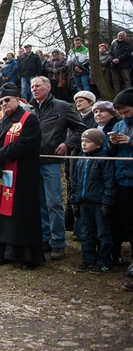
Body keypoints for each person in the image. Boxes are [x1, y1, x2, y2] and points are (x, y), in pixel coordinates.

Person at [0, 82, 44, 269]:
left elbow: (25, 144)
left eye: (7, 100)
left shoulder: (28, 119)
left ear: (17, 99)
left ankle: (27, 257)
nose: (4, 104)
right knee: (0, 214)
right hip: (0, 175)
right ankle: (4, 252)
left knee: (21, 215)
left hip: (22, 176)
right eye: (1, 101)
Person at [29, 76, 86, 260]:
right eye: (31, 86)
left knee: (53, 202)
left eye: (37, 86)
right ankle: (45, 237)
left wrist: (67, 144)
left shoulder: (62, 106)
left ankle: (58, 242)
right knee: (38, 202)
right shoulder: (29, 109)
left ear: (47, 87)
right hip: (33, 161)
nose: (34, 89)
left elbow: (80, 128)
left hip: (52, 162)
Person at [70, 129, 116, 273]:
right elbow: (75, 180)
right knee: (86, 232)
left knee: (102, 233)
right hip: (84, 202)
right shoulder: (81, 159)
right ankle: (88, 259)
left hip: (99, 202)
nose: (83, 144)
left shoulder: (104, 159)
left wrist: (107, 202)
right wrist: (75, 200)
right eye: (82, 141)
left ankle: (104, 261)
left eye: (88, 141)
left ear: (98, 144)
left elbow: (110, 182)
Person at [107, 88, 133, 290]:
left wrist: (130, 142)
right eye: (120, 112)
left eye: (126, 111)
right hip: (122, 180)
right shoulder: (118, 125)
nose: (123, 115)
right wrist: (112, 143)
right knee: (128, 223)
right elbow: (110, 152)